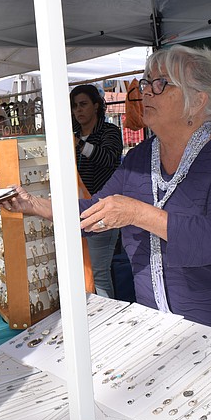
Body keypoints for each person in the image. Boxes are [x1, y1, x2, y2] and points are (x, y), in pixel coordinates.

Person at [3, 45, 211, 346]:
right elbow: (95, 209)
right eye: (145, 83)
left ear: (198, 100)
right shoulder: (141, 157)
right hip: (170, 332)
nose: (146, 92)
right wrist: (36, 206)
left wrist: (137, 213)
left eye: (160, 83)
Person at [70, 84, 123, 298]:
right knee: (79, 271)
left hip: (102, 210)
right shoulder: (72, 134)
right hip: (76, 210)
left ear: (96, 105)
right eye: (74, 106)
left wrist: (80, 145)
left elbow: (109, 159)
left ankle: (106, 320)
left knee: (99, 273)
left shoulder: (110, 131)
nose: (78, 110)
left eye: (83, 104)